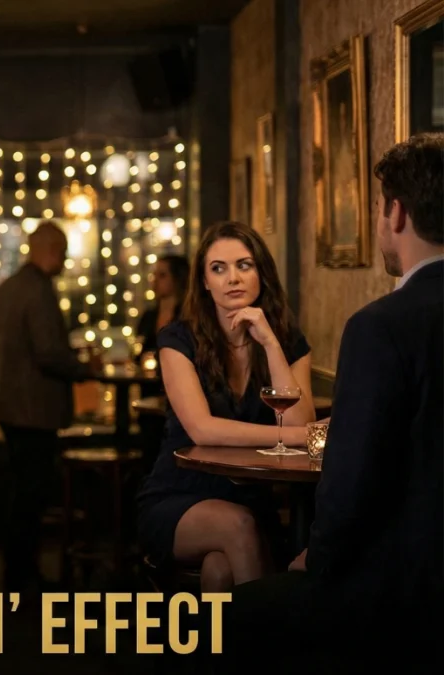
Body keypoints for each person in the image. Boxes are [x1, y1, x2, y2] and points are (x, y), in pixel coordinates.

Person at [222, 133, 444, 666]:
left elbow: (352, 482)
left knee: (224, 621)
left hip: (402, 593)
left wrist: (317, 557)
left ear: (396, 212)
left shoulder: (380, 327)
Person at [135, 221, 315, 593]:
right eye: (218, 268)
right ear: (204, 281)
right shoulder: (177, 339)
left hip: (250, 495)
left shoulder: (286, 341)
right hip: (179, 493)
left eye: (244, 265)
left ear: (261, 273)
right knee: (239, 527)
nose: (232, 278)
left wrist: (270, 344)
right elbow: (203, 429)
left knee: (220, 570)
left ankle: (218, 634)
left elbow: (300, 419)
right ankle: (272, 631)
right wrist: (296, 436)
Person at [0, 221, 96, 590]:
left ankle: (16, 571)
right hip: (34, 408)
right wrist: (84, 370)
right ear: (50, 251)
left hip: (9, 404)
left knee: (20, 492)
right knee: (31, 495)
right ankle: (24, 575)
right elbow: (48, 352)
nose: (64, 262)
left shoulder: (9, 286)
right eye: (62, 253)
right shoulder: (39, 290)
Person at [136, 254, 191, 357]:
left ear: (177, 279)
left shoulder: (187, 316)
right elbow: (139, 351)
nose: (155, 281)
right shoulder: (149, 316)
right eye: (154, 275)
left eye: (162, 275)